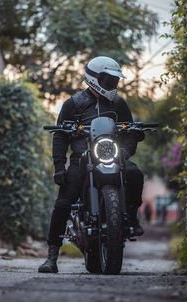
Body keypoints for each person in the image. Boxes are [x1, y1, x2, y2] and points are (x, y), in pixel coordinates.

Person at [39, 56, 144, 273]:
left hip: (113, 156)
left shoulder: (118, 104)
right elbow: (60, 137)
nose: (112, 84)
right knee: (64, 201)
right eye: (108, 79)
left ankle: (131, 216)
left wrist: (126, 150)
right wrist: (59, 166)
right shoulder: (73, 104)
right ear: (95, 78)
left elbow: (130, 132)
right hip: (82, 159)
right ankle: (52, 256)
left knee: (135, 174)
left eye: (114, 80)